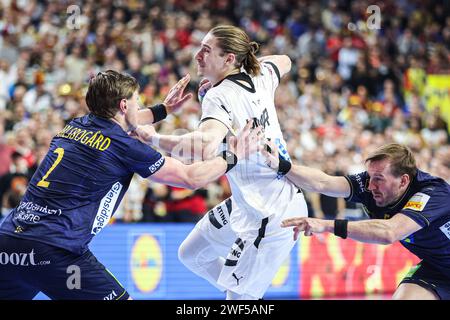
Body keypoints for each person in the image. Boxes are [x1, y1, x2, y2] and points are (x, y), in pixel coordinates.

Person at [0, 70, 260, 300]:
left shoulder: (75, 125)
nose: (140, 107)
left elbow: (122, 120)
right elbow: (190, 178)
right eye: (138, 102)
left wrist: (163, 110)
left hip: (9, 243)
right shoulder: (125, 146)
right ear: (124, 105)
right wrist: (234, 155)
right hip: (55, 250)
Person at [145, 25, 308, 300]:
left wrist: (153, 138)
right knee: (191, 254)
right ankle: (240, 285)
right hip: (249, 200)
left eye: (206, 51)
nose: (197, 55)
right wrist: (249, 65)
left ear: (229, 58)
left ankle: (241, 291)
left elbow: (202, 146)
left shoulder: (219, 96)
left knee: (239, 300)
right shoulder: (261, 74)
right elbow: (285, 60)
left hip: (270, 211)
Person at [262, 142, 450, 300]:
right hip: (437, 267)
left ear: (403, 181)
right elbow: (324, 183)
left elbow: (390, 232)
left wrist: (326, 225)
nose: (370, 186)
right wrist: (282, 165)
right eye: (369, 177)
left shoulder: (433, 193)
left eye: (378, 179)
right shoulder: (370, 185)